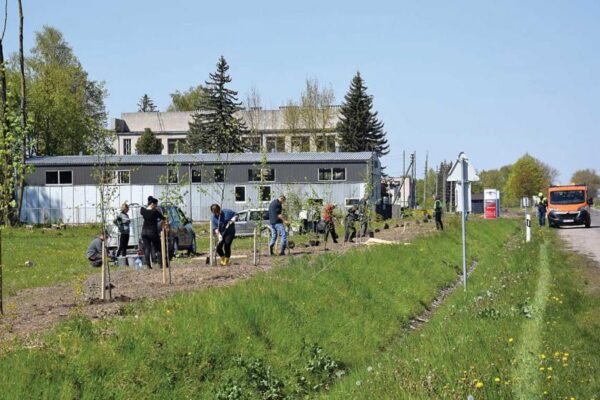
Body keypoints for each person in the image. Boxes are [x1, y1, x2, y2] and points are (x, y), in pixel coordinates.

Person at [140, 196, 166, 269]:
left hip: (144, 232)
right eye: (155, 205)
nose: (156, 206)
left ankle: (148, 265)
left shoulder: (143, 210)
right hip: (152, 232)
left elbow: (142, 210)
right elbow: (163, 218)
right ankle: (161, 264)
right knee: (158, 248)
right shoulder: (155, 212)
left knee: (147, 248)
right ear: (152, 204)